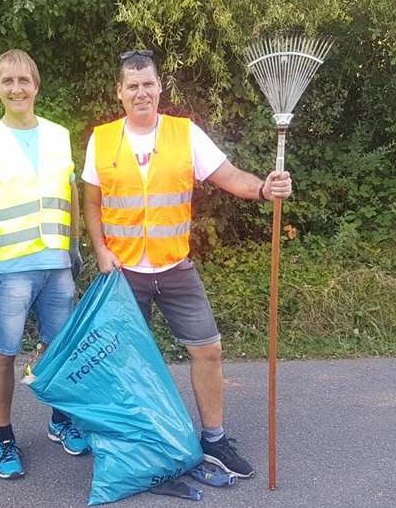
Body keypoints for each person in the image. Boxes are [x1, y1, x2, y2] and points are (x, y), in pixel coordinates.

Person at [82, 50, 293, 479]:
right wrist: (101, 250)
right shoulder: (101, 139)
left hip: (175, 267)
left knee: (208, 350)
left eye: (148, 84)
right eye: (132, 86)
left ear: (160, 87)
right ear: (119, 92)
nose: (141, 92)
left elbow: (229, 174)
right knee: (126, 361)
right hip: (123, 273)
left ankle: (213, 440)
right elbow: (90, 203)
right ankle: (136, 443)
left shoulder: (185, 134)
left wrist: (263, 189)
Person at [0, 49, 88, 480]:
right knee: (4, 355)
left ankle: (60, 421)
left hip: (56, 263)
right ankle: (4, 437)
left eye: (24, 80)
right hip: (9, 267)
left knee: (58, 349)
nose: (16, 88)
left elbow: (70, 192)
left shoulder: (57, 134)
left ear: (36, 85)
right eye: (7, 81)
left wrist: (74, 244)